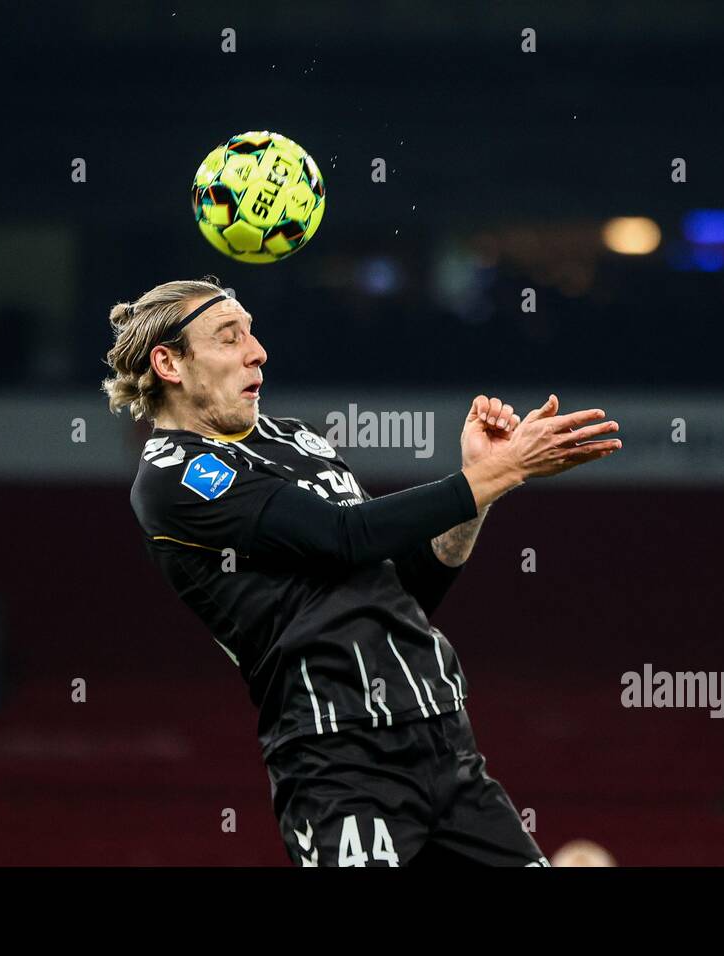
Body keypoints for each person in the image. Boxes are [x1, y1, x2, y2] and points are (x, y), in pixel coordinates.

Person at [102, 277, 622, 866]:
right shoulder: (175, 477)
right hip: (340, 759)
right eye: (229, 337)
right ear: (168, 363)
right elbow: (345, 536)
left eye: (252, 332)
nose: (257, 351)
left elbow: (406, 590)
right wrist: (507, 470)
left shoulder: (295, 438)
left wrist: (480, 486)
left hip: (443, 742)